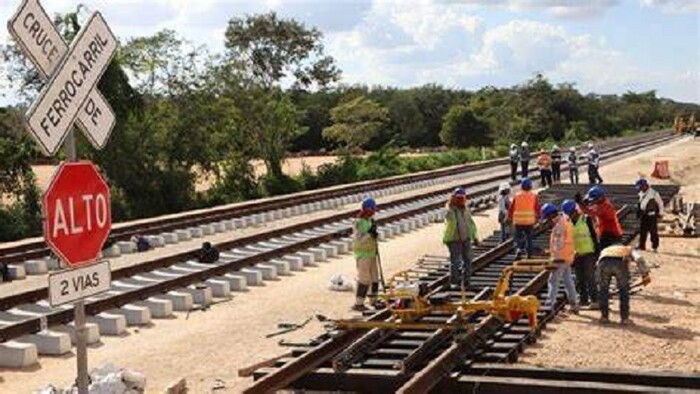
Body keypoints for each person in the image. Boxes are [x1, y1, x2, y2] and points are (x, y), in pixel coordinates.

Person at [596, 245, 651, 325]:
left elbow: (597, 264)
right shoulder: (629, 249)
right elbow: (639, 258)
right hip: (619, 263)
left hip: (603, 263)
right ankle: (624, 318)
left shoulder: (606, 249)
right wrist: (645, 275)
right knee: (624, 290)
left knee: (603, 290)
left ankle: (604, 317)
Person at [541, 203, 579, 313]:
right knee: (568, 280)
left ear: (551, 214)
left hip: (561, 257)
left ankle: (549, 305)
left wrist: (553, 259)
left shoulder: (559, 226)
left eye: (547, 217)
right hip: (568, 256)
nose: (547, 220)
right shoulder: (566, 219)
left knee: (553, 280)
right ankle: (574, 304)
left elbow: (559, 244)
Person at [562, 199, 599, 308]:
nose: (569, 216)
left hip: (588, 253)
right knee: (580, 278)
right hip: (576, 255)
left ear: (575, 211)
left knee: (590, 278)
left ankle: (595, 300)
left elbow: (594, 236)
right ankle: (583, 300)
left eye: (570, 213)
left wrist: (597, 252)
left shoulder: (586, 219)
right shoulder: (568, 223)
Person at [443, 187, 479, 289]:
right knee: (455, 261)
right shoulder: (450, 211)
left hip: (466, 239)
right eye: (458, 198)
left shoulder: (466, 210)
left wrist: (475, 237)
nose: (461, 200)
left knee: (467, 260)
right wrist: (451, 206)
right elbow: (449, 220)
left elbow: (471, 224)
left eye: (462, 198)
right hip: (454, 240)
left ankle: (466, 280)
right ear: (454, 198)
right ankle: (454, 281)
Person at [352, 197, 380, 311]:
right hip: (362, 254)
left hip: (372, 253)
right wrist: (370, 233)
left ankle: (373, 300)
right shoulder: (359, 222)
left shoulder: (370, 220)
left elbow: (372, 236)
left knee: (374, 278)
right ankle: (359, 303)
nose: (373, 212)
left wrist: (375, 235)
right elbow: (359, 239)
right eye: (371, 210)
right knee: (364, 279)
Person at [508, 178, 540, 258]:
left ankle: (518, 249)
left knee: (518, 237)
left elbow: (511, 208)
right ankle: (529, 253)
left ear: (521, 186)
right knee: (529, 237)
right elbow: (537, 208)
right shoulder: (534, 196)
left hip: (518, 221)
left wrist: (510, 217)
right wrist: (538, 218)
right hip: (529, 221)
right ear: (530, 186)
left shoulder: (517, 196)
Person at [635, 178, 664, 252]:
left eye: (641, 187)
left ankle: (654, 246)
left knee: (653, 231)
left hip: (652, 215)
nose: (640, 189)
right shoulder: (641, 193)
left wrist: (661, 213)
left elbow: (660, 204)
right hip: (643, 215)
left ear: (645, 186)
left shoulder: (654, 193)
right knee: (642, 231)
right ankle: (642, 245)